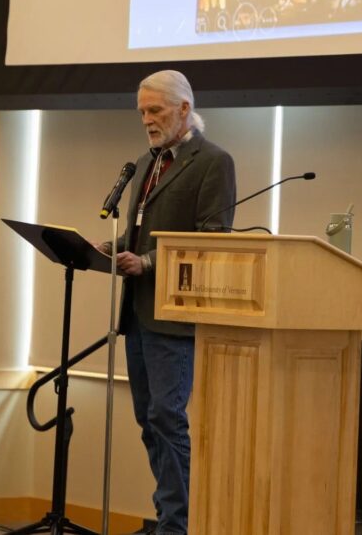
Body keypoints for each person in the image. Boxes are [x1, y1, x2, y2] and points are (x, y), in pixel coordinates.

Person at [104, 70, 236, 535]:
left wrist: (149, 264)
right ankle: (168, 517)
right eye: (142, 111)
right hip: (137, 314)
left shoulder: (212, 162)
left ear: (184, 109)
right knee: (149, 419)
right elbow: (138, 233)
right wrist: (103, 248)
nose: (147, 120)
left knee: (167, 417)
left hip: (175, 317)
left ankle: (178, 526)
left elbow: (213, 240)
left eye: (155, 110)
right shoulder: (146, 162)